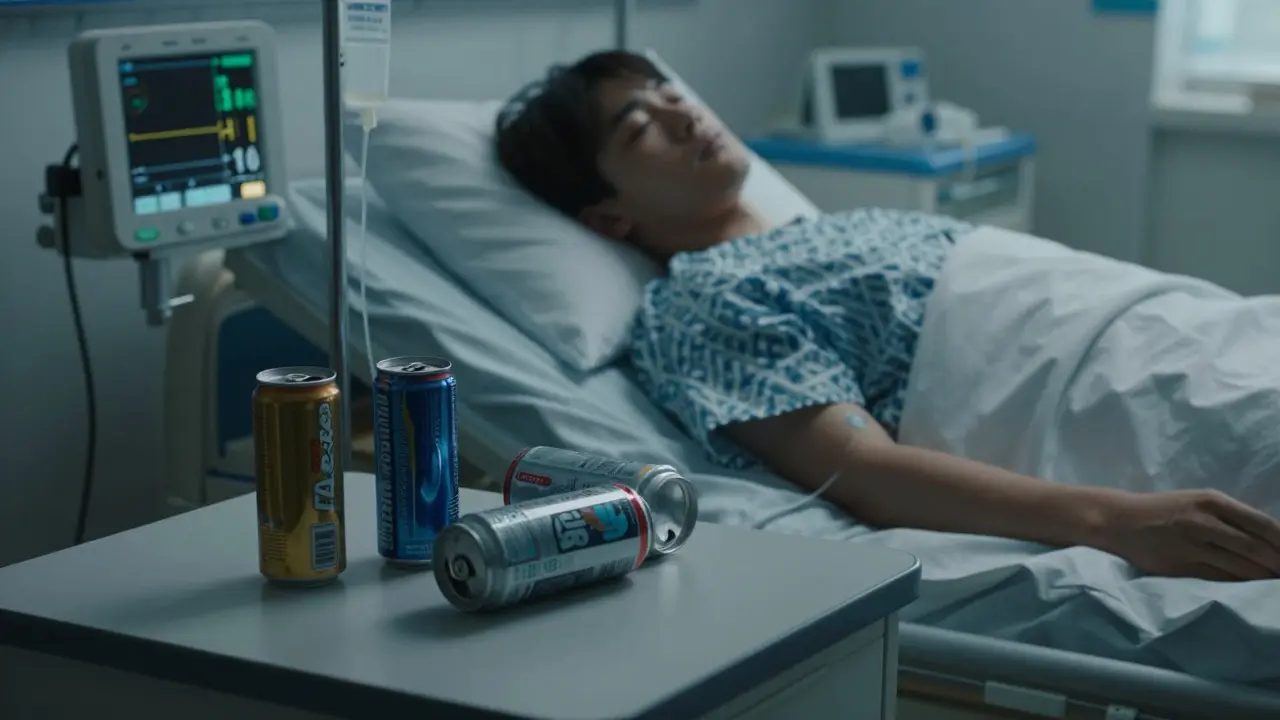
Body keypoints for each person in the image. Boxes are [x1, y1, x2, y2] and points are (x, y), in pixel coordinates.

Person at [494, 50, 1280, 582]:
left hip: (1178, 326)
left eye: (669, 92)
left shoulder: (817, 233)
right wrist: (1120, 523)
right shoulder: (701, 301)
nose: (681, 112)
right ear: (607, 220)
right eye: (640, 126)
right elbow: (864, 473)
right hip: (1116, 397)